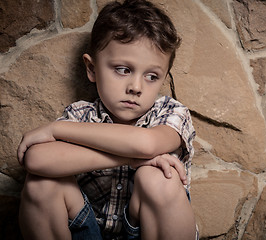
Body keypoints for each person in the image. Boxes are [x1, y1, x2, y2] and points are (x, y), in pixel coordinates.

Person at [16, 0, 198, 239]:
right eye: (123, 70)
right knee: (41, 183)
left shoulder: (170, 113)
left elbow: (147, 145)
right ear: (92, 69)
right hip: (89, 230)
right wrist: (133, 160)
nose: (136, 87)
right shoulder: (81, 116)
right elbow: (35, 160)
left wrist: (56, 130)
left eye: (152, 76)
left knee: (158, 177)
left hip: (144, 229)